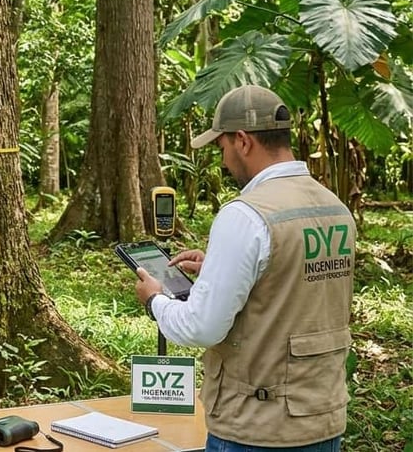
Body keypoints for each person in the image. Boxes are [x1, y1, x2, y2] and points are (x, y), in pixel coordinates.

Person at [135, 84, 356, 452]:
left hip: (256, 428)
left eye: (222, 148)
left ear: (242, 140)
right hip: (322, 420)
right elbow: (294, 283)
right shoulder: (333, 208)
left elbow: (202, 327)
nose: (223, 161)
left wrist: (154, 301)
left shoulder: (246, 214)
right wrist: (218, 267)